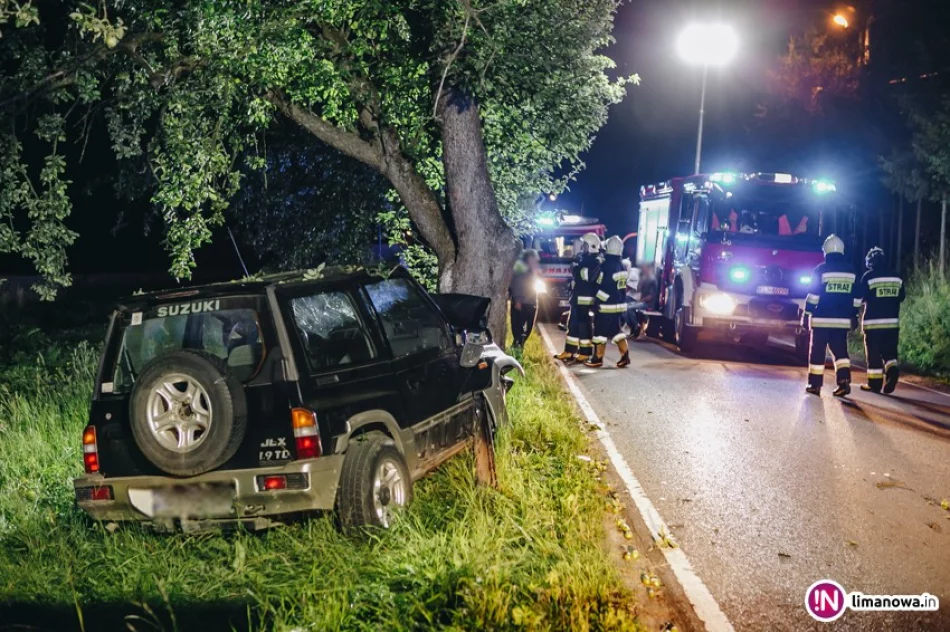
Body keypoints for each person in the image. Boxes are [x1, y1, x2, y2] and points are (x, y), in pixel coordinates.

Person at [802, 234, 860, 397]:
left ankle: (815, 385)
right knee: (841, 352)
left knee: (817, 352)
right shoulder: (851, 271)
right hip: (841, 322)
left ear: (825, 252)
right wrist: (854, 316)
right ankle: (844, 382)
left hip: (821, 320)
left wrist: (806, 315)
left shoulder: (820, 269)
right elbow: (857, 298)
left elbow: (813, 296)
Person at [856, 247, 906, 394]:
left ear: (870, 262)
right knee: (889, 353)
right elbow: (902, 296)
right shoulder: (897, 277)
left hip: (873, 325)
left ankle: (874, 384)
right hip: (892, 324)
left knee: (874, 354)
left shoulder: (868, 277)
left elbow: (860, 298)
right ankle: (893, 371)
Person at [554, 232, 601, 363]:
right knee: (573, 326)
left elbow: (587, 277)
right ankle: (569, 351)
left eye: (585, 245)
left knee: (584, 327)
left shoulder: (595, 262)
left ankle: (585, 353)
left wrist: (575, 269)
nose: (582, 248)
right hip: (578, 299)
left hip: (585, 301)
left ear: (591, 246)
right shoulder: (584, 260)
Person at [586, 236, 631, 368]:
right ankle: (625, 356)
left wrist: (596, 302)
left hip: (606, 306)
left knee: (599, 332)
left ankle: (597, 358)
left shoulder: (607, 266)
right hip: (619, 306)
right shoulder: (621, 266)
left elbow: (604, 287)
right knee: (616, 331)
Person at [509, 249, 541, 347]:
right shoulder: (521, 268)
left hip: (530, 303)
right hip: (522, 303)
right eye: (534, 259)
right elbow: (517, 284)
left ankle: (519, 345)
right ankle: (517, 346)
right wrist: (518, 300)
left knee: (527, 328)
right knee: (519, 328)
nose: (536, 261)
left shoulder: (530, 270)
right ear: (529, 259)